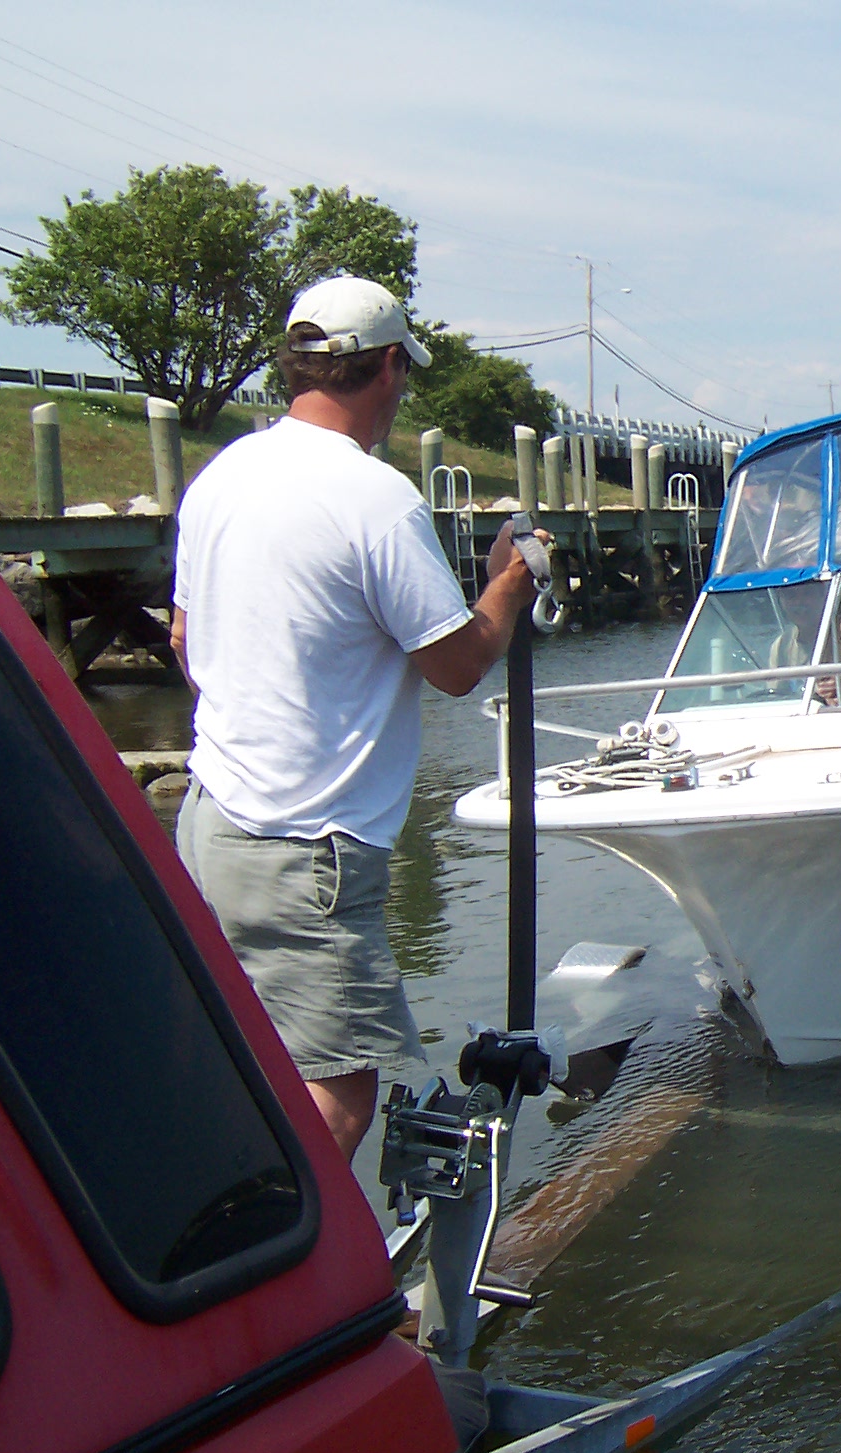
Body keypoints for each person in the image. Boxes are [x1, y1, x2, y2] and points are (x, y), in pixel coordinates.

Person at [170, 274, 542, 1158]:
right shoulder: (374, 498)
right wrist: (508, 583)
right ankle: (296, 1284)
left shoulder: (225, 474)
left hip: (210, 821)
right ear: (384, 368)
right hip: (311, 850)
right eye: (402, 374)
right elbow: (455, 665)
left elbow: (186, 641)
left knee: (251, 1067)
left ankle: (245, 1259)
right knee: (338, 1098)